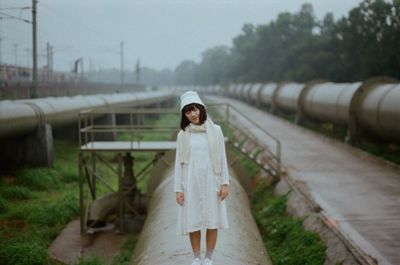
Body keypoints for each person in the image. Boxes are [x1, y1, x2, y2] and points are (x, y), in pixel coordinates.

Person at [174, 91, 230, 265]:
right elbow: (179, 164)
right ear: (184, 115)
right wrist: (178, 189)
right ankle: (197, 257)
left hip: (211, 180)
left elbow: (222, 157)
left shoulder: (216, 131)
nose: (193, 114)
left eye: (195, 109)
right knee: (194, 221)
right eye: (188, 111)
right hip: (191, 182)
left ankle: (209, 258)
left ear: (201, 109)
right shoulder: (183, 135)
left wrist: (225, 183)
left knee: (212, 221)